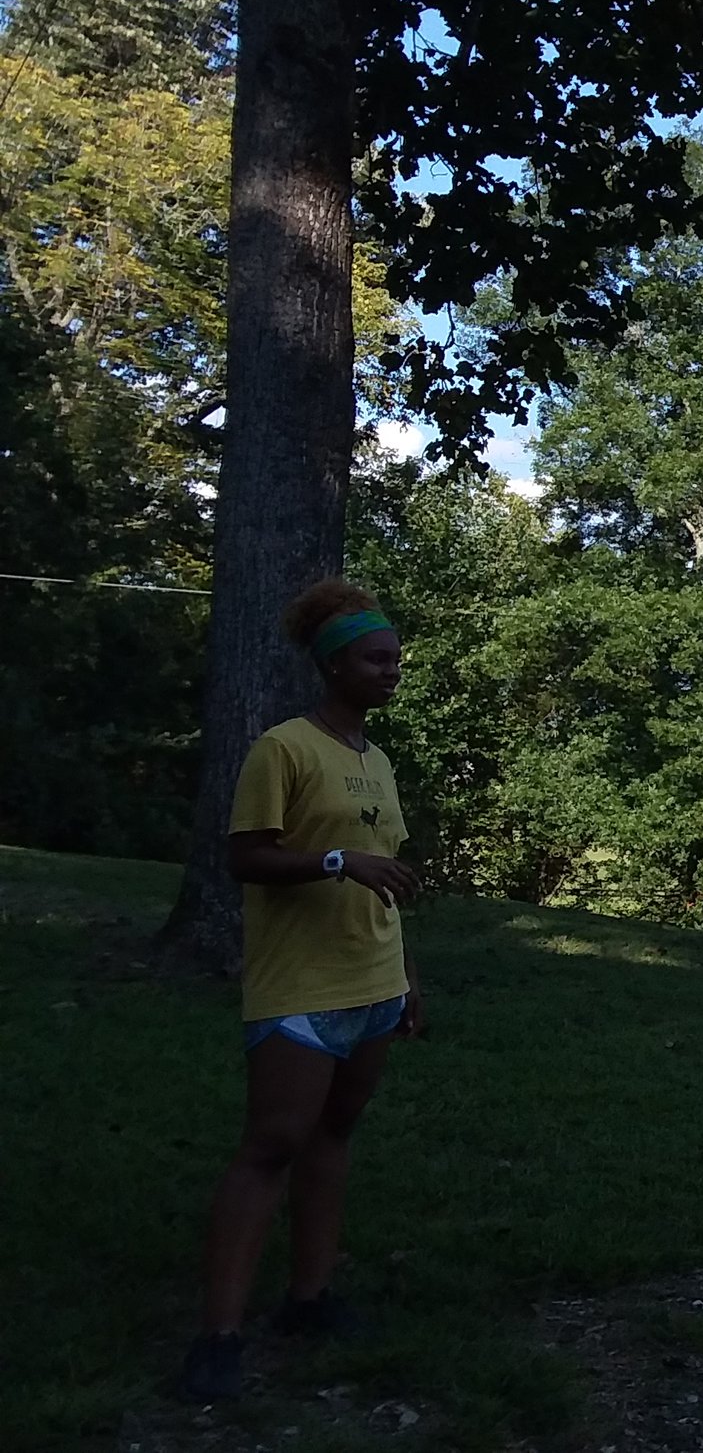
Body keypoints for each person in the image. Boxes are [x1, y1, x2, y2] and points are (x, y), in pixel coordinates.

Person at [179, 580, 423, 1403]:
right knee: (271, 1146)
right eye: (376, 658)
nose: (392, 670)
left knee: (333, 1137)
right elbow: (245, 856)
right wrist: (335, 860)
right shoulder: (283, 748)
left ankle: (309, 1299)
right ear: (334, 665)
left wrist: (407, 979)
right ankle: (218, 1336)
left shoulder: (376, 760)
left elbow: (388, 877)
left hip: (374, 984)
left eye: (396, 659)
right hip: (301, 988)